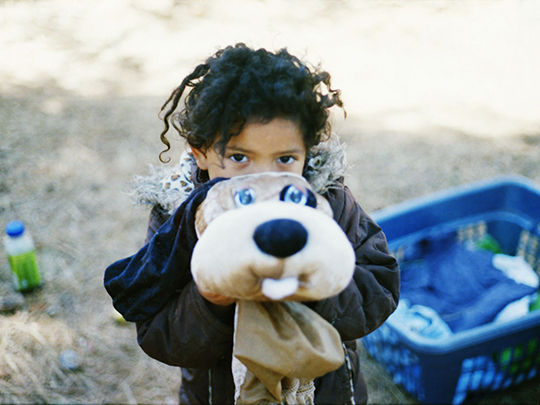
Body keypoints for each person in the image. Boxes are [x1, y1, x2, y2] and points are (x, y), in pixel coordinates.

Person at [104, 43, 400, 404]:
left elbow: (381, 286)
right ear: (200, 153)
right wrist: (211, 299)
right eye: (240, 157)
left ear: (306, 152)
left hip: (325, 393)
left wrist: (316, 285)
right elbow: (159, 334)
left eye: (285, 159)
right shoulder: (178, 218)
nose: (264, 179)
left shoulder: (327, 202)